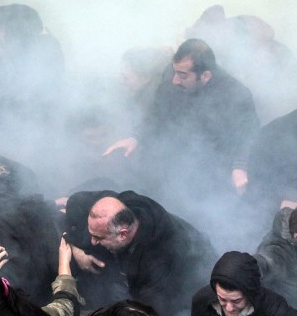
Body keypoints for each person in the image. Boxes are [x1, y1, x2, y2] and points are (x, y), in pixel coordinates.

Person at [103, 38, 259, 205]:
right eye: (175, 71)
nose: (175, 80)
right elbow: (156, 115)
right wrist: (135, 137)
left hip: (211, 174)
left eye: (183, 75)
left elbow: (248, 135)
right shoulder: (172, 76)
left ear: (205, 76)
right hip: (171, 168)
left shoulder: (235, 94)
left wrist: (240, 167)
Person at [63, 190, 215, 316]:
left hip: (186, 285)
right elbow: (76, 201)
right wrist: (75, 248)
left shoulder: (156, 260)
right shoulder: (121, 203)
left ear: (123, 234)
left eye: (98, 237)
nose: (93, 242)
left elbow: (148, 315)